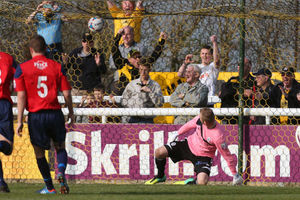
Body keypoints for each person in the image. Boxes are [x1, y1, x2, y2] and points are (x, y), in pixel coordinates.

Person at [15, 35, 74, 194]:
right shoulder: (57, 66)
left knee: (39, 152)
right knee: (60, 147)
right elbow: (67, 94)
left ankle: (49, 187)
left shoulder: (22, 68)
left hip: (36, 116)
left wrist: (19, 120)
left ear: (31, 50)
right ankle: (61, 172)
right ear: (46, 49)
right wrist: (71, 113)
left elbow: (21, 96)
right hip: (55, 113)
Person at [145, 107, 243, 185]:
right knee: (159, 152)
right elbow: (190, 124)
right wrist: (177, 133)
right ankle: (160, 176)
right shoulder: (200, 119)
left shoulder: (218, 136)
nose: (198, 117)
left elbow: (227, 155)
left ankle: (189, 182)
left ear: (204, 123)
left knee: (202, 182)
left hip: (204, 156)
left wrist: (235, 174)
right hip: (188, 145)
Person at [111, 28, 167, 95]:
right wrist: (118, 35)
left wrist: (162, 41)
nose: (138, 59)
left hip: (138, 96)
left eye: (139, 57)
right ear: (129, 59)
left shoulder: (143, 65)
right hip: (124, 95)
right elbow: (114, 49)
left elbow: (155, 55)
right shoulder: (122, 63)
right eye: (135, 57)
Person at [121, 57, 164, 123]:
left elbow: (160, 103)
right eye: (141, 69)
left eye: (145, 70)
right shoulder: (132, 84)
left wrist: (150, 92)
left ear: (150, 69)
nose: (143, 72)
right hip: (132, 119)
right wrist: (133, 108)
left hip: (147, 120)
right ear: (138, 69)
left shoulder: (155, 85)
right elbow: (123, 100)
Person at [218, 58, 256, 124]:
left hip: (246, 118)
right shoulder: (232, 79)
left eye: (243, 64)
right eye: (238, 64)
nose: (240, 66)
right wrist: (239, 92)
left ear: (249, 67)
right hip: (230, 117)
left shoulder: (254, 81)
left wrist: (231, 92)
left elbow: (254, 95)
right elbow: (223, 93)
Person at [0, 52, 17, 193]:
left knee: (8, 149)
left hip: (4, 102)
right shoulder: (8, 58)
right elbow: (18, 75)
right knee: (8, 148)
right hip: (4, 104)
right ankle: (1, 183)